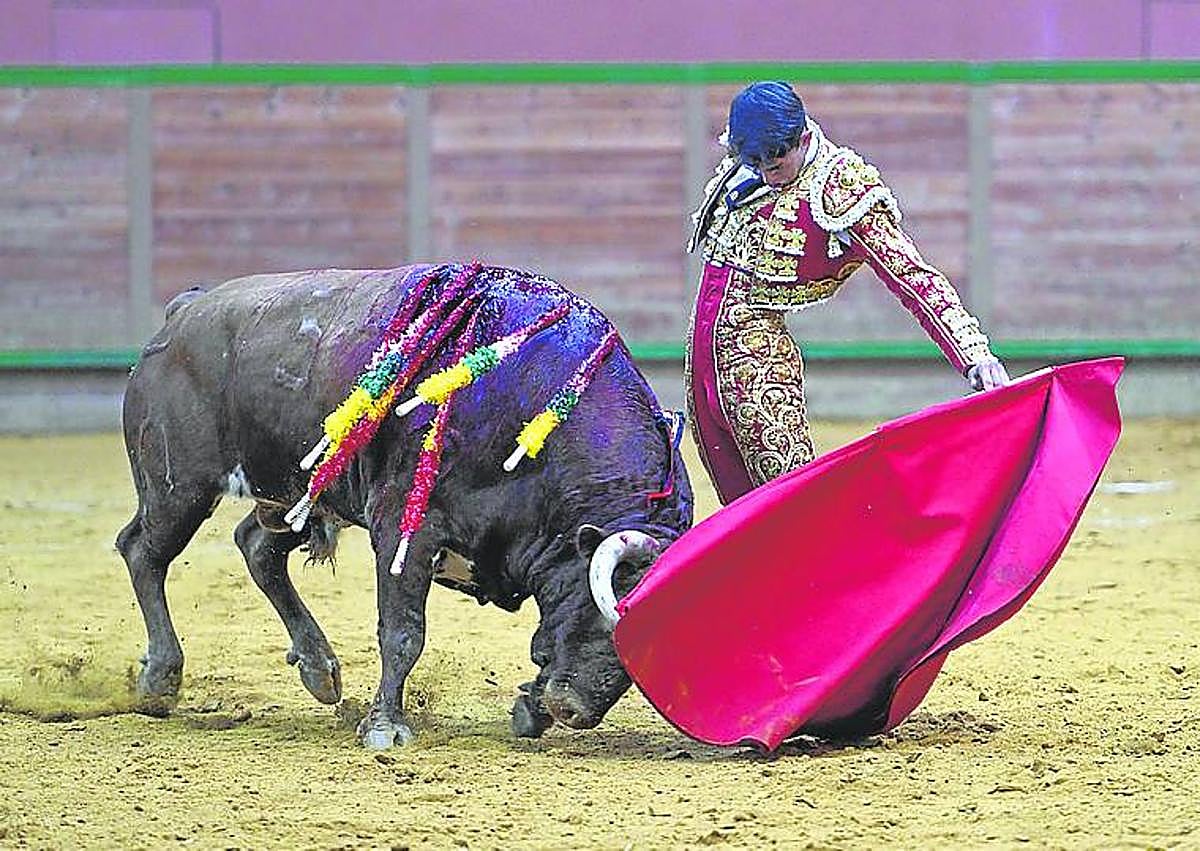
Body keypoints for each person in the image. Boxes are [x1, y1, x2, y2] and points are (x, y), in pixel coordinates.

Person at [686, 81, 1009, 504]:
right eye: (754, 160)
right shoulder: (755, 153)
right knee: (738, 506)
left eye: (776, 160)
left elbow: (912, 276)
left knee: (791, 501)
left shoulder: (839, 188)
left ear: (802, 139)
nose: (764, 170)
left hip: (756, 359)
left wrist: (974, 355)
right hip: (701, 358)